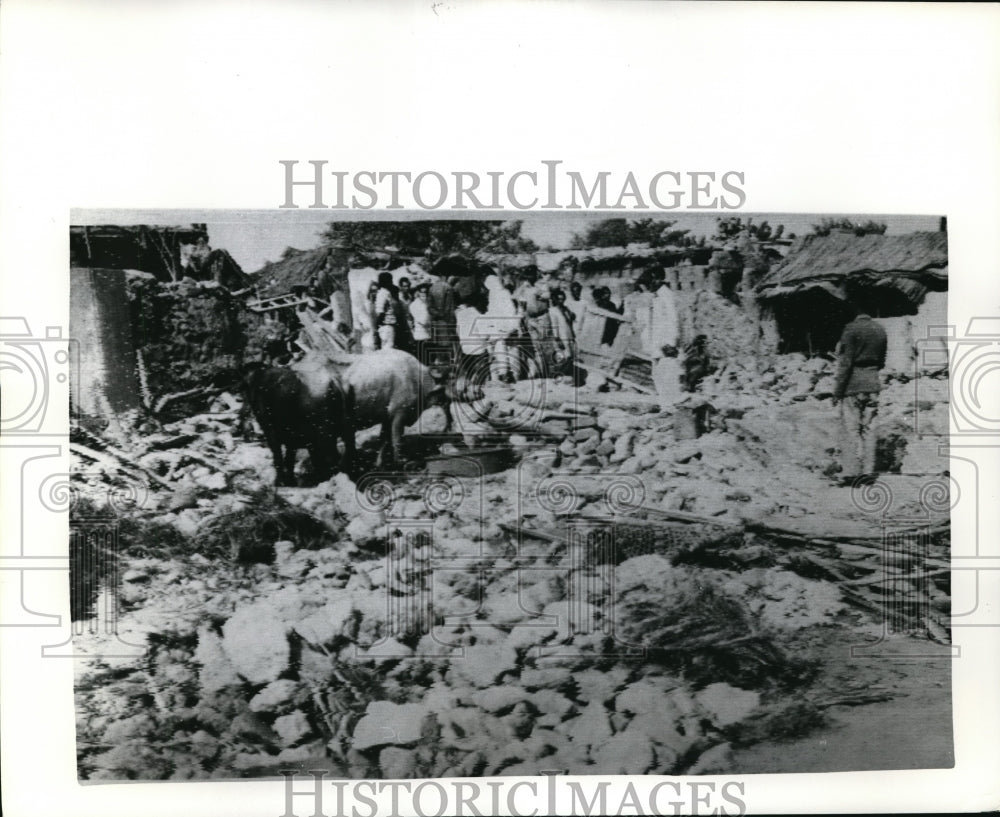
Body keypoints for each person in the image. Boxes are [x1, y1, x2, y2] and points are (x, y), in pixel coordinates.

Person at [833, 307, 888, 482]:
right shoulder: (880, 329)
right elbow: (882, 361)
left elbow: (846, 362)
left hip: (853, 385)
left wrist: (838, 390)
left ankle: (851, 472)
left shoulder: (851, 329)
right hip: (873, 384)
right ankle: (868, 471)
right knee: (870, 429)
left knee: (851, 430)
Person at [648, 280, 684, 410]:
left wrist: (671, 342)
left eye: (649, 281)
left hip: (666, 344)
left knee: (668, 373)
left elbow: (672, 319)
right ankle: (665, 405)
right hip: (658, 343)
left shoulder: (667, 295)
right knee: (658, 375)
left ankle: (671, 404)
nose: (648, 285)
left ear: (655, 278)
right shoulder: (657, 296)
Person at [513, 267, 554, 378]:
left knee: (546, 344)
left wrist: (536, 291)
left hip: (542, 317)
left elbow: (548, 295)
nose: (529, 277)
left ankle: (549, 371)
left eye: (531, 275)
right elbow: (516, 296)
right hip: (530, 318)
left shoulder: (542, 284)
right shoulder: (524, 285)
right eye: (527, 275)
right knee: (535, 346)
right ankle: (539, 372)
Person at [483, 273, 519, 383]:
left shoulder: (495, 295)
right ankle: (509, 376)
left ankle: (504, 375)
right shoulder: (502, 294)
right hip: (506, 328)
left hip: (501, 329)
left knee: (500, 353)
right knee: (509, 354)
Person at [548, 288, 576, 376]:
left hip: (569, 335)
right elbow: (554, 325)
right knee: (563, 357)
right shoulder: (553, 310)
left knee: (570, 356)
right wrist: (557, 339)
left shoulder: (565, 309)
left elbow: (570, 321)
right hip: (561, 337)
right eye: (559, 299)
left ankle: (567, 376)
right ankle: (558, 375)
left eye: (562, 299)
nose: (561, 301)